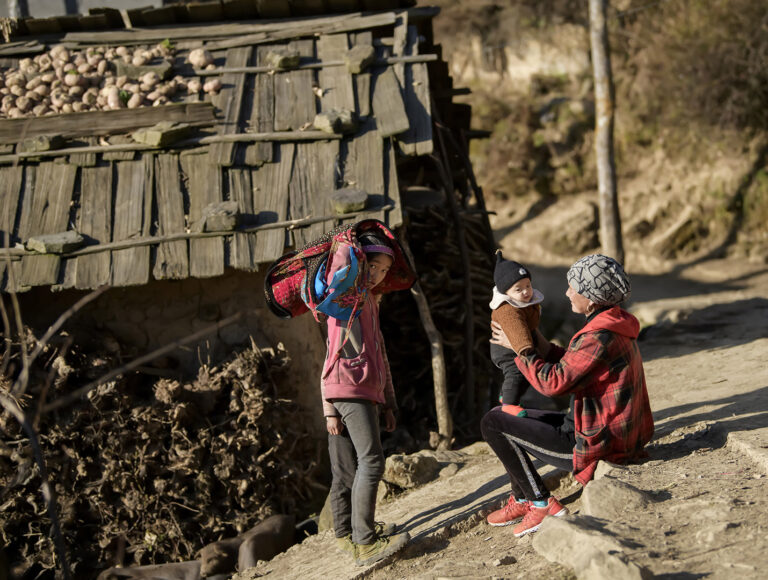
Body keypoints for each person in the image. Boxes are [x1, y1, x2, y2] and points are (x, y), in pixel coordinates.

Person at [481, 254, 654, 537]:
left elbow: (553, 384)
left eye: (574, 287)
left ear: (592, 297)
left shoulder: (597, 336)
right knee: (502, 418)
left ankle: (540, 502)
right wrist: (538, 342)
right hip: (612, 430)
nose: (567, 293)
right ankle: (524, 498)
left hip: (599, 442)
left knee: (493, 423)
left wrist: (520, 351)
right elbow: (574, 365)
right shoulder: (614, 323)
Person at [321, 230, 410, 566]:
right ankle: (366, 541)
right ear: (360, 263)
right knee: (372, 462)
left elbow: (381, 356)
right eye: (373, 266)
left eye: (385, 270)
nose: (378, 275)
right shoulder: (346, 299)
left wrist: (388, 401)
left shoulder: (370, 304)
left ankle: (347, 535)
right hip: (347, 390)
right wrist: (329, 407)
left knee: (345, 469)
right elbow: (329, 356)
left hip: (360, 392)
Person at [489, 251, 547, 417]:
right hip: (506, 347)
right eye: (518, 289)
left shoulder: (525, 302)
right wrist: (525, 348)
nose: (525, 292)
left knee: (527, 375)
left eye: (528, 286)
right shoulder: (507, 309)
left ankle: (507, 395)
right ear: (506, 293)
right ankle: (509, 403)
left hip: (522, 342)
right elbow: (515, 329)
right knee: (515, 371)